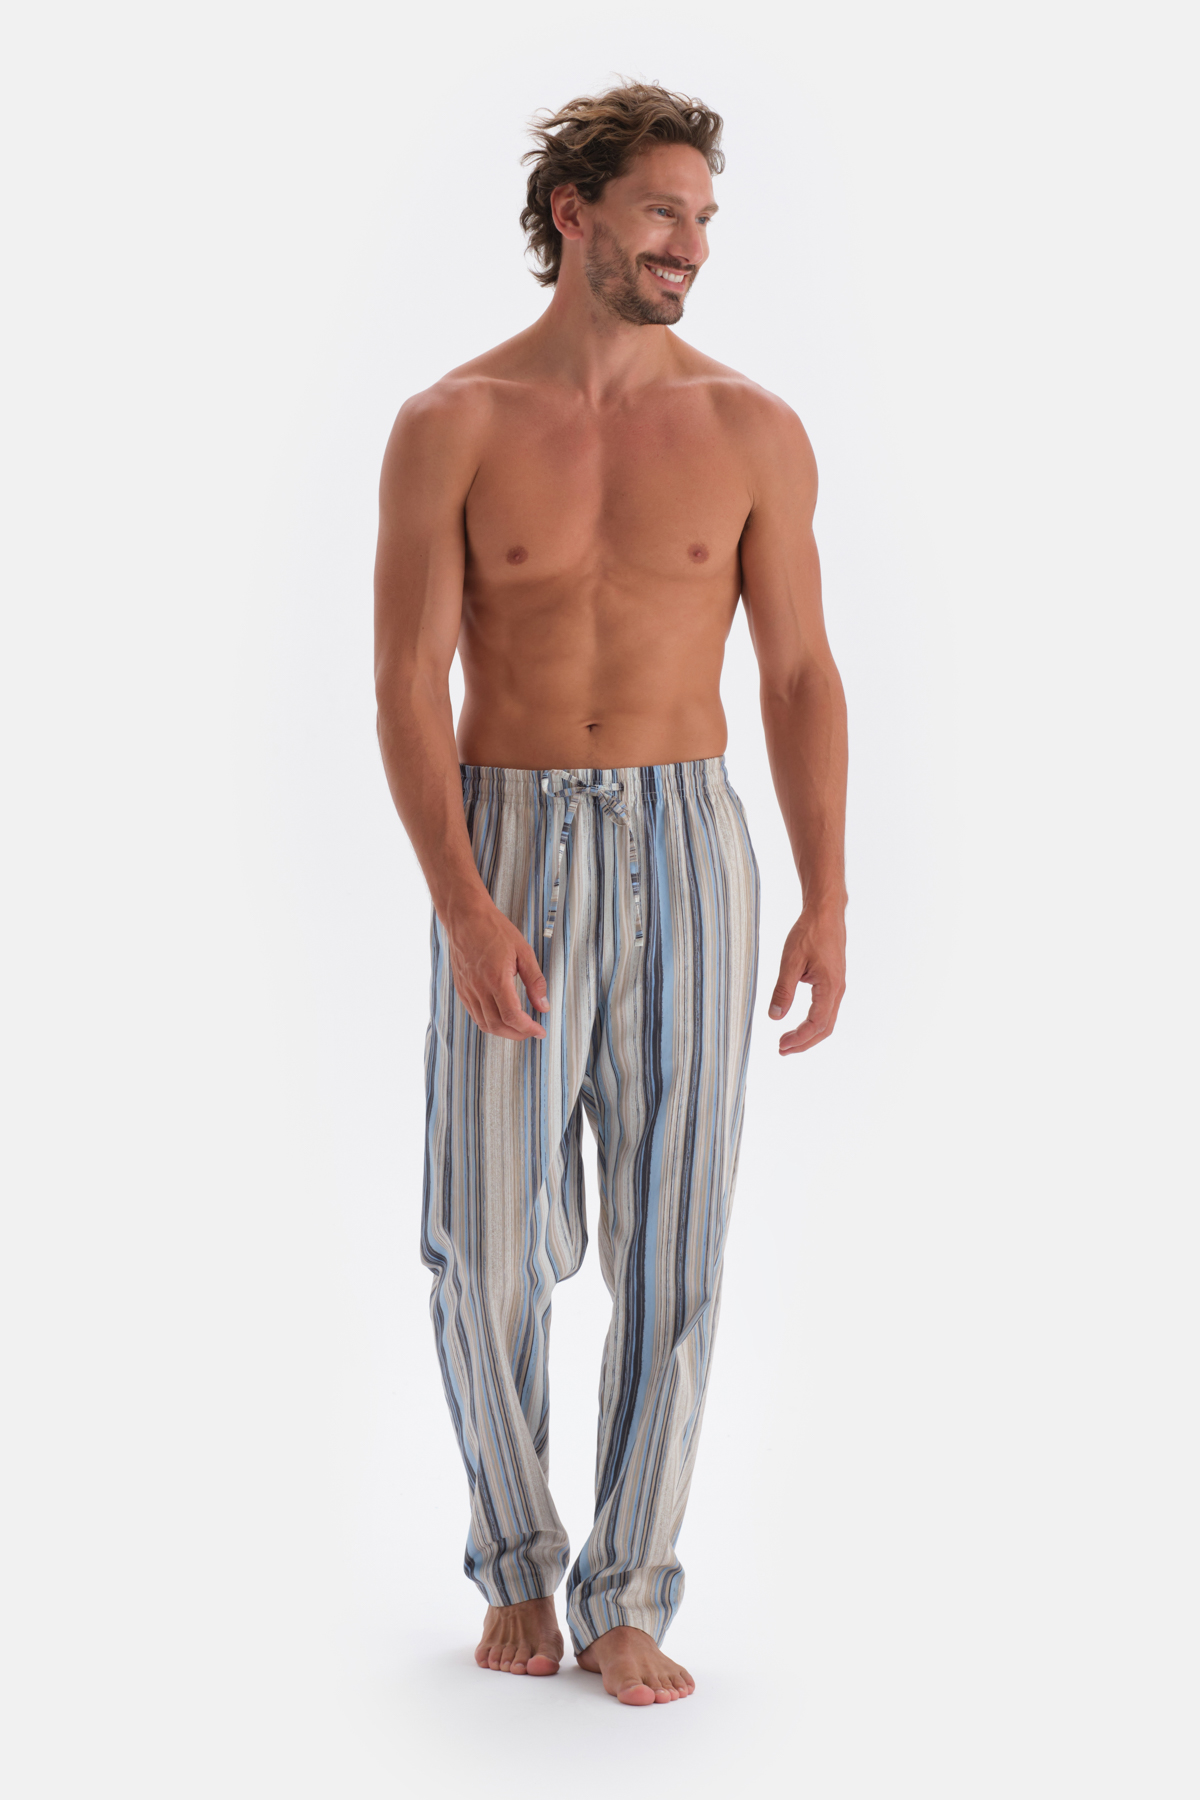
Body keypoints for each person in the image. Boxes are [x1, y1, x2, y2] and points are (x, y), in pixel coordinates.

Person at [373, 81, 848, 1707]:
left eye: (703, 219)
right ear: (573, 213)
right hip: (505, 833)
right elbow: (405, 684)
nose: (690, 245)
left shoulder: (751, 430)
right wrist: (461, 901)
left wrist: (826, 894)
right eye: (662, 211)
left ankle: (629, 1587)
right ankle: (518, 1556)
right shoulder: (451, 422)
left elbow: (799, 673)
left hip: (689, 839)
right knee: (483, 1242)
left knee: (676, 1239)